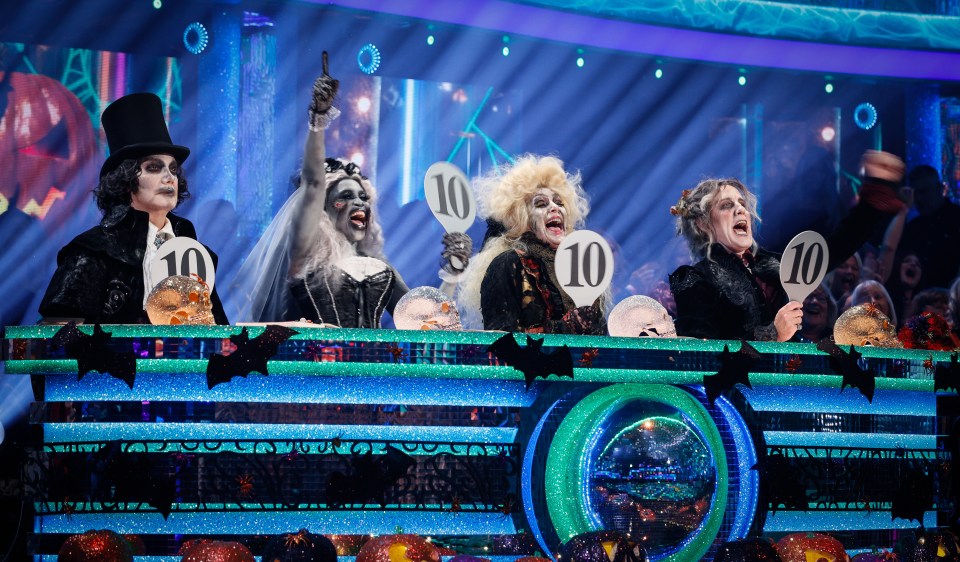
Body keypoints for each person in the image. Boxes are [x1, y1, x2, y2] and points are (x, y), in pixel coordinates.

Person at [232, 54, 469, 326]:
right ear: (322, 210)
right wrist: (318, 119)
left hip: (375, 368)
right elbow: (314, 184)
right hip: (315, 366)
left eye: (363, 197)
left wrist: (453, 272)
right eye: (345, 196)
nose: (360, 204)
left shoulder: (380, 269)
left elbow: (425, 324)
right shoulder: (305, 257)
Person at [668, 150, 905, 341]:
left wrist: (874, 195)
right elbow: (701, 356)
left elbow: (835, 248)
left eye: (742, 204)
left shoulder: (774, 264)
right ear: (702, 224)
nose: (741, 209)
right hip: (736, 395)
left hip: (789, 387)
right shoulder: (691, 279)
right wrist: (772, 335)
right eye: (726, 205)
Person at [38, 93, 228, 324]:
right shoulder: (93, 251)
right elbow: (57, 337)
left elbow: (218, 337)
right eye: (154, 167)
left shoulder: (196, 254)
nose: (169, 177)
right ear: (126, 180)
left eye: (173, 169)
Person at [459, 154, 606, 334]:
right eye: (541, 204)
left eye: (559, 202)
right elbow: (502, 341)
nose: (555, 207)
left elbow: (600, 336)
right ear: (522, 217)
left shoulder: (580, 267)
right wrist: (565, 326)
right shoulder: (508, 265)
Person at [898, 164, 960, 290]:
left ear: (939, 188)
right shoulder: (913, 227)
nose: (919, 199)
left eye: (924, 192)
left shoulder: (957, 219)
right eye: (915, 194)